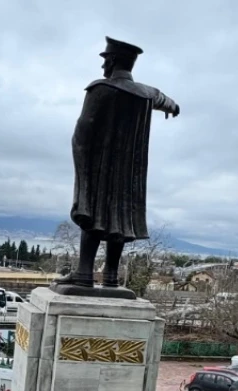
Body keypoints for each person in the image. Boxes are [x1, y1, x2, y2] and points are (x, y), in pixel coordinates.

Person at [53, 37, 180, 292]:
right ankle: (110, 276)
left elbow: (83, 131)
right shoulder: (145, 93)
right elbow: (165, 100)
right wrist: (173, 108)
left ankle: (84, 274)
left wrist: (82, 166)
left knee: (94, 213)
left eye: (105, 61)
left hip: (101, 169)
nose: (103, 67)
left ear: (111, 61)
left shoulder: (101, 89)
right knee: (119, 220)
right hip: (130, 175)